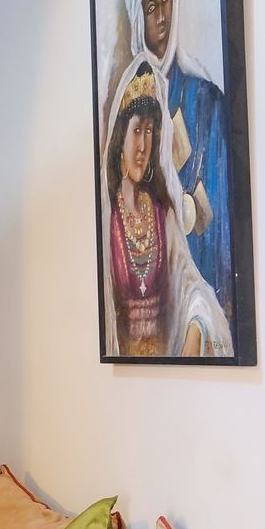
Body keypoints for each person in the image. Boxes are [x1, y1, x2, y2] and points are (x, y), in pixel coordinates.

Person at [122, 0, 236, 323]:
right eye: (151, 7)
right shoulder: (132, 114)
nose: (163, 17)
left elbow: (220, 231)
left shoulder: (209, 103)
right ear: (138, 15)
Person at [99, 60, 231, 358]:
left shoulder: (163, 214)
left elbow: (189, 283)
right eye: (136, 131)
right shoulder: (108, 219)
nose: (143, 146)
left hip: (166, 371)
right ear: (121, 138)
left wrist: (197, 325)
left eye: (149, 131)